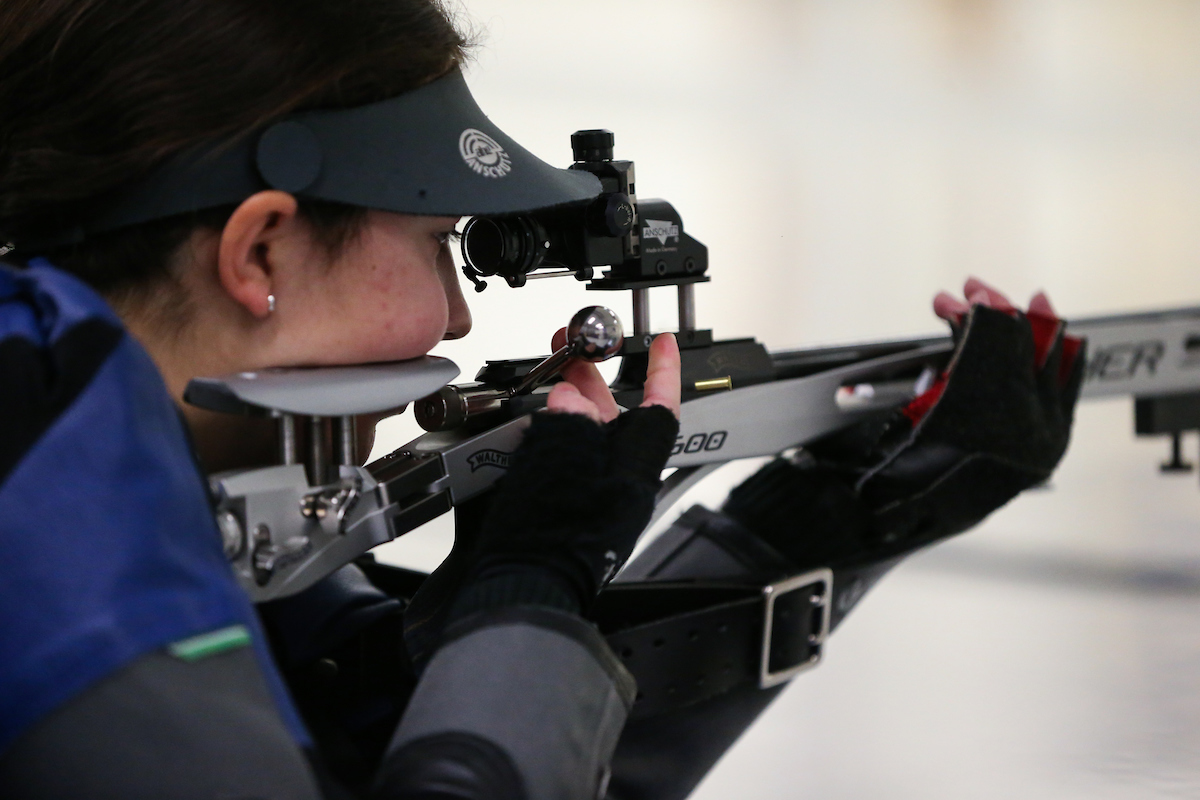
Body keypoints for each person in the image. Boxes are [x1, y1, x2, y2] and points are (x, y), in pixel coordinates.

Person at [0, 1, 1084, 798]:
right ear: (261, 249)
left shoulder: (78, 427)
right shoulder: (55, 481)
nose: (456, 318)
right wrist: (531, 583)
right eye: (439, 244)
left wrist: (820, 524)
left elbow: (395, 764)